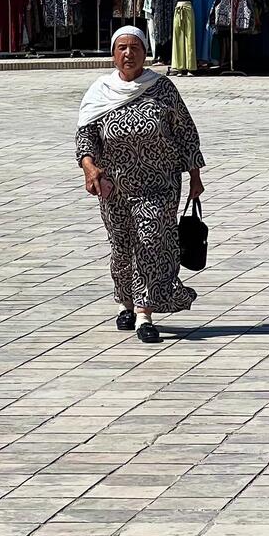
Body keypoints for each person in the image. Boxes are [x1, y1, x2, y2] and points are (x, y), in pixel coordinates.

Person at [76, 26, 205, 344]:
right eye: (121, 48)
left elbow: (184, 131)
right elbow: (85, 137)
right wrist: (89, 168)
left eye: (135, 47)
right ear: (113, 54)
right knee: (121, 247)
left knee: (149, 243)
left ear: (145, 53)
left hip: (159, 184)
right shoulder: (100, 91)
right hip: (114, 186)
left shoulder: (162, 88)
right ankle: (126, 303)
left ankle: (145, 314)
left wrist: (195, 176)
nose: (128, 53)